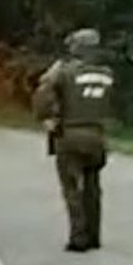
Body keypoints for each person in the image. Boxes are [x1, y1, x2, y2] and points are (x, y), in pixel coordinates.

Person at [32, 29, 114, 253]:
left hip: (70, 136)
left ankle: (79, 238)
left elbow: (42, 94)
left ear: (76, 48)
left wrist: (46, 118)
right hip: (97, 136)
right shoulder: (107, 74)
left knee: (72, 189)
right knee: (93, 187)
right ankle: (94, 235)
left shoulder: (65, 72)